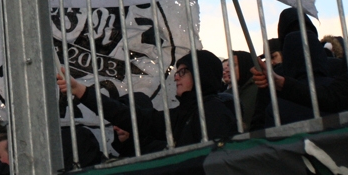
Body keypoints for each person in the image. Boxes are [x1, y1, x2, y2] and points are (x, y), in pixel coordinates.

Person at [57, 50, 236, 148]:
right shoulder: (183, 113)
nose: (176, 77)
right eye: (176, 72)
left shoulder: (215, 111)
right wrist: (80, 90)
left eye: (183, 71)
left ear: (201, 74)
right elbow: (132, 118)